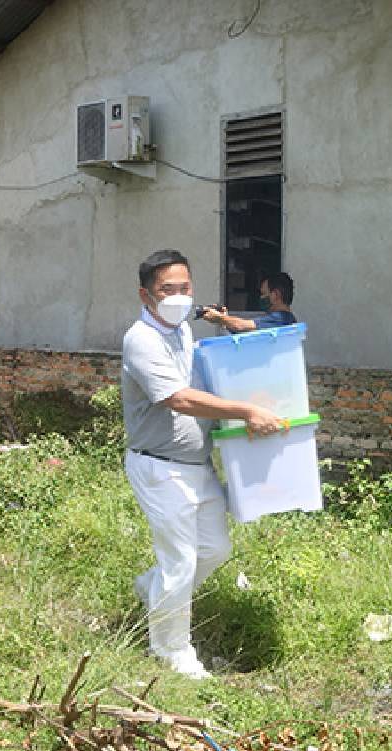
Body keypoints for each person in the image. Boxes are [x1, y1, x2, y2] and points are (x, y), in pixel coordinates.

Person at [122, 249, 289, 680]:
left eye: (184, 288)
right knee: (180, 561)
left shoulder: (182, 332)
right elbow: (177, 397)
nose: (178, 296)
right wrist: (246, 411)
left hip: (197, 465)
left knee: (215, 549)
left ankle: (152, 589)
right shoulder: (141, 339)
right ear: (146, 295)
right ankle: (171, 649)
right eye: (167, 290)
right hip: (160, 467)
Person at [201, 270, 297, 332]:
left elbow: (241, 326)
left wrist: (219, 318)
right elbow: (246, 333)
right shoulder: (284, 320)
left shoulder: (281, 318)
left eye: (263, 293)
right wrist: (224, 318)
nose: (261, 298)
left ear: (276, 294)